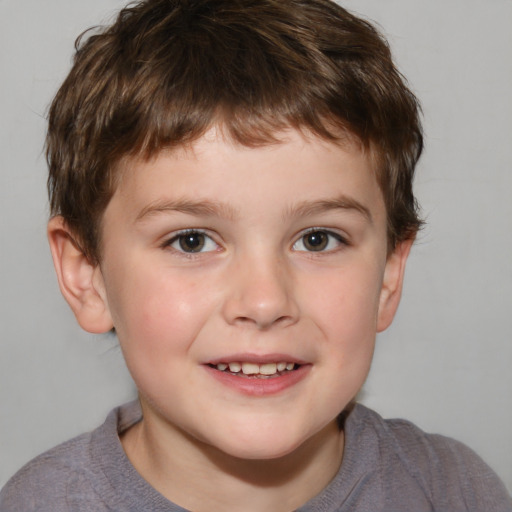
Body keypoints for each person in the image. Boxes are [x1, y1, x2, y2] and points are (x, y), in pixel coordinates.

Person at [1, 0, 510, 510]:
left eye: (318, 239)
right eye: (192, 241)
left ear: (387, 276)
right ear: (87, 275)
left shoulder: (456, 492)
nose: (265, 302)